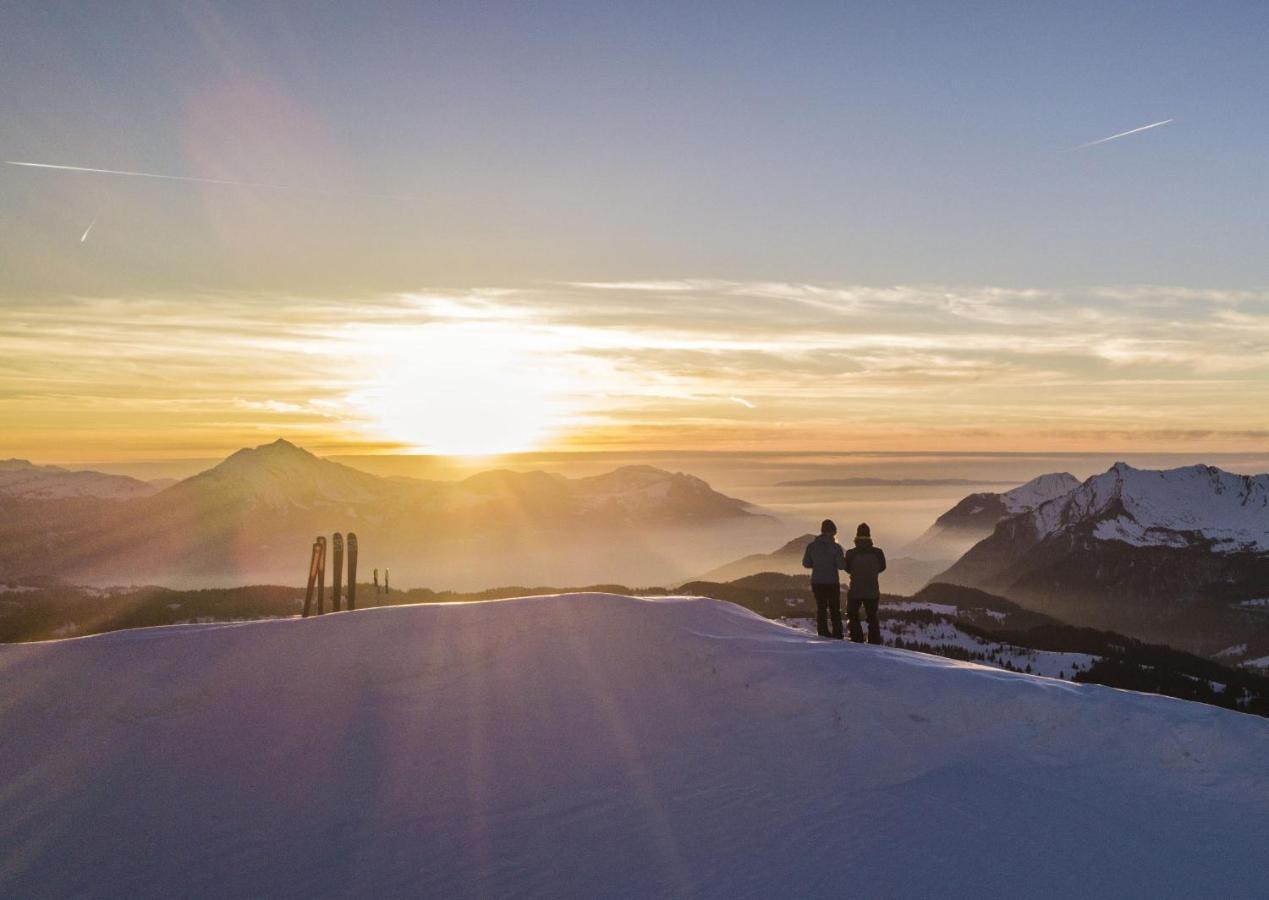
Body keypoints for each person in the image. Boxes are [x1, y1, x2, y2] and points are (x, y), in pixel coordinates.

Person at [802, 519, 846, 639]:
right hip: (832, 582)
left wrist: (817, 565)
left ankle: (822, 633)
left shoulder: (811, 546)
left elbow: (806, 563)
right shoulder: (836, 548)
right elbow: (841, 566)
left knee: (821, 608)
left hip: (817, 581)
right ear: (833, 532)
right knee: (834, 609)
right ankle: (837, 634)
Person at [844, 523, 886, 644]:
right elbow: (882, 567)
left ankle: (856, 638)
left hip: (855, 589)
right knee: (872, 616)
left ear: (857, 535)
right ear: (869, 535)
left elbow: (847, 568)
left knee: (852, 614)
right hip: (872, 589)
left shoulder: (850, 553)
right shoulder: (878, 552)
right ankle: (874, 640)